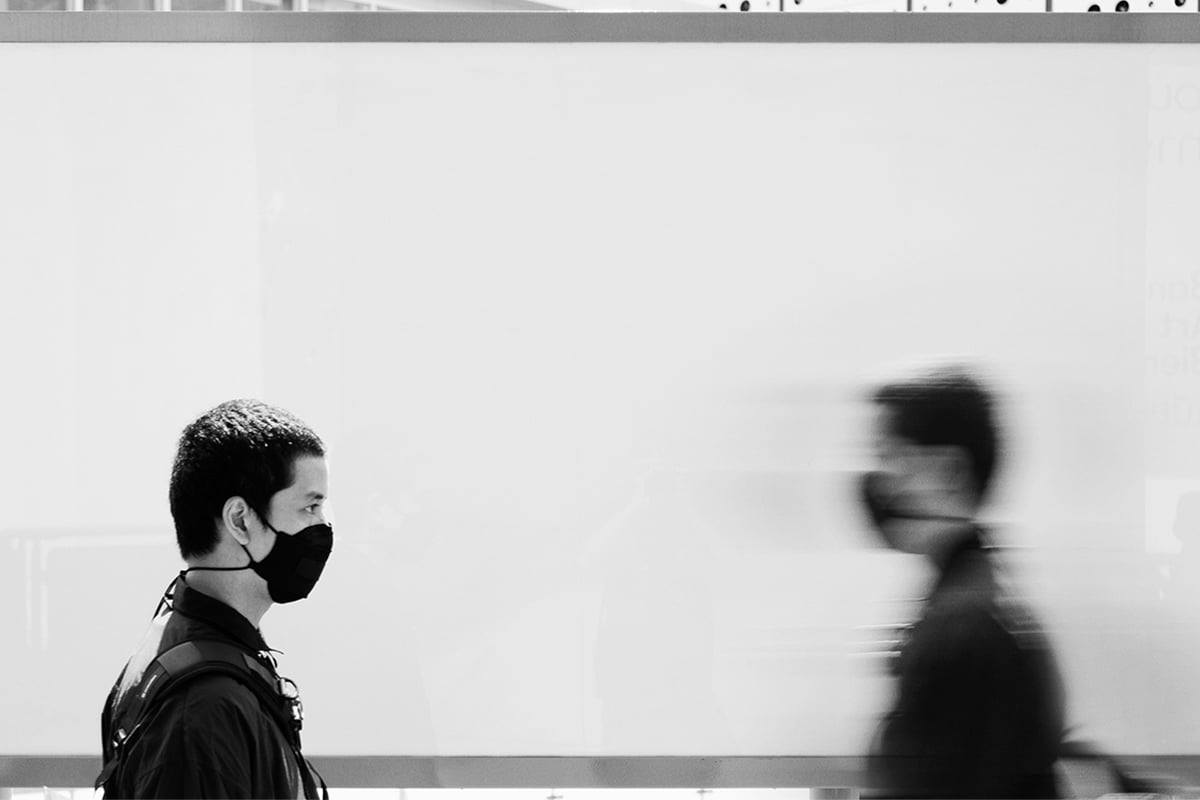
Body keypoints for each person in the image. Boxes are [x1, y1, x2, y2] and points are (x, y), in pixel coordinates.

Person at [97, 399, 332, 799]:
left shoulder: (185, 645)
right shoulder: (204, 710)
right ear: (240, 520)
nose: (323, 526)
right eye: (310, 506)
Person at [860, 364, 1065, 799]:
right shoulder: (979, 597)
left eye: (892, 458)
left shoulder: (959, 630)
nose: (878, 483)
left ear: (950, 472)